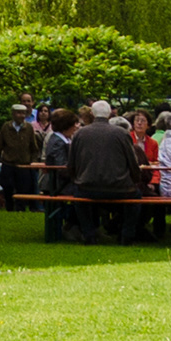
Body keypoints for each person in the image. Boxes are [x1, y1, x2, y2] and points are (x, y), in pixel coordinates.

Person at [65, 104, 147, 243]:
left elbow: (71, 164)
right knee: (136, 198)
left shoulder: (79, 134)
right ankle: (127, 235)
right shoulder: (122, 134)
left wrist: (77, 179)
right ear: (110, 114)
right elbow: (133, 163)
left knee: (78, 198)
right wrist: (135, 180)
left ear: (92, 113)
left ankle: (89, 234)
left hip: (87, 187)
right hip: (120, 187)